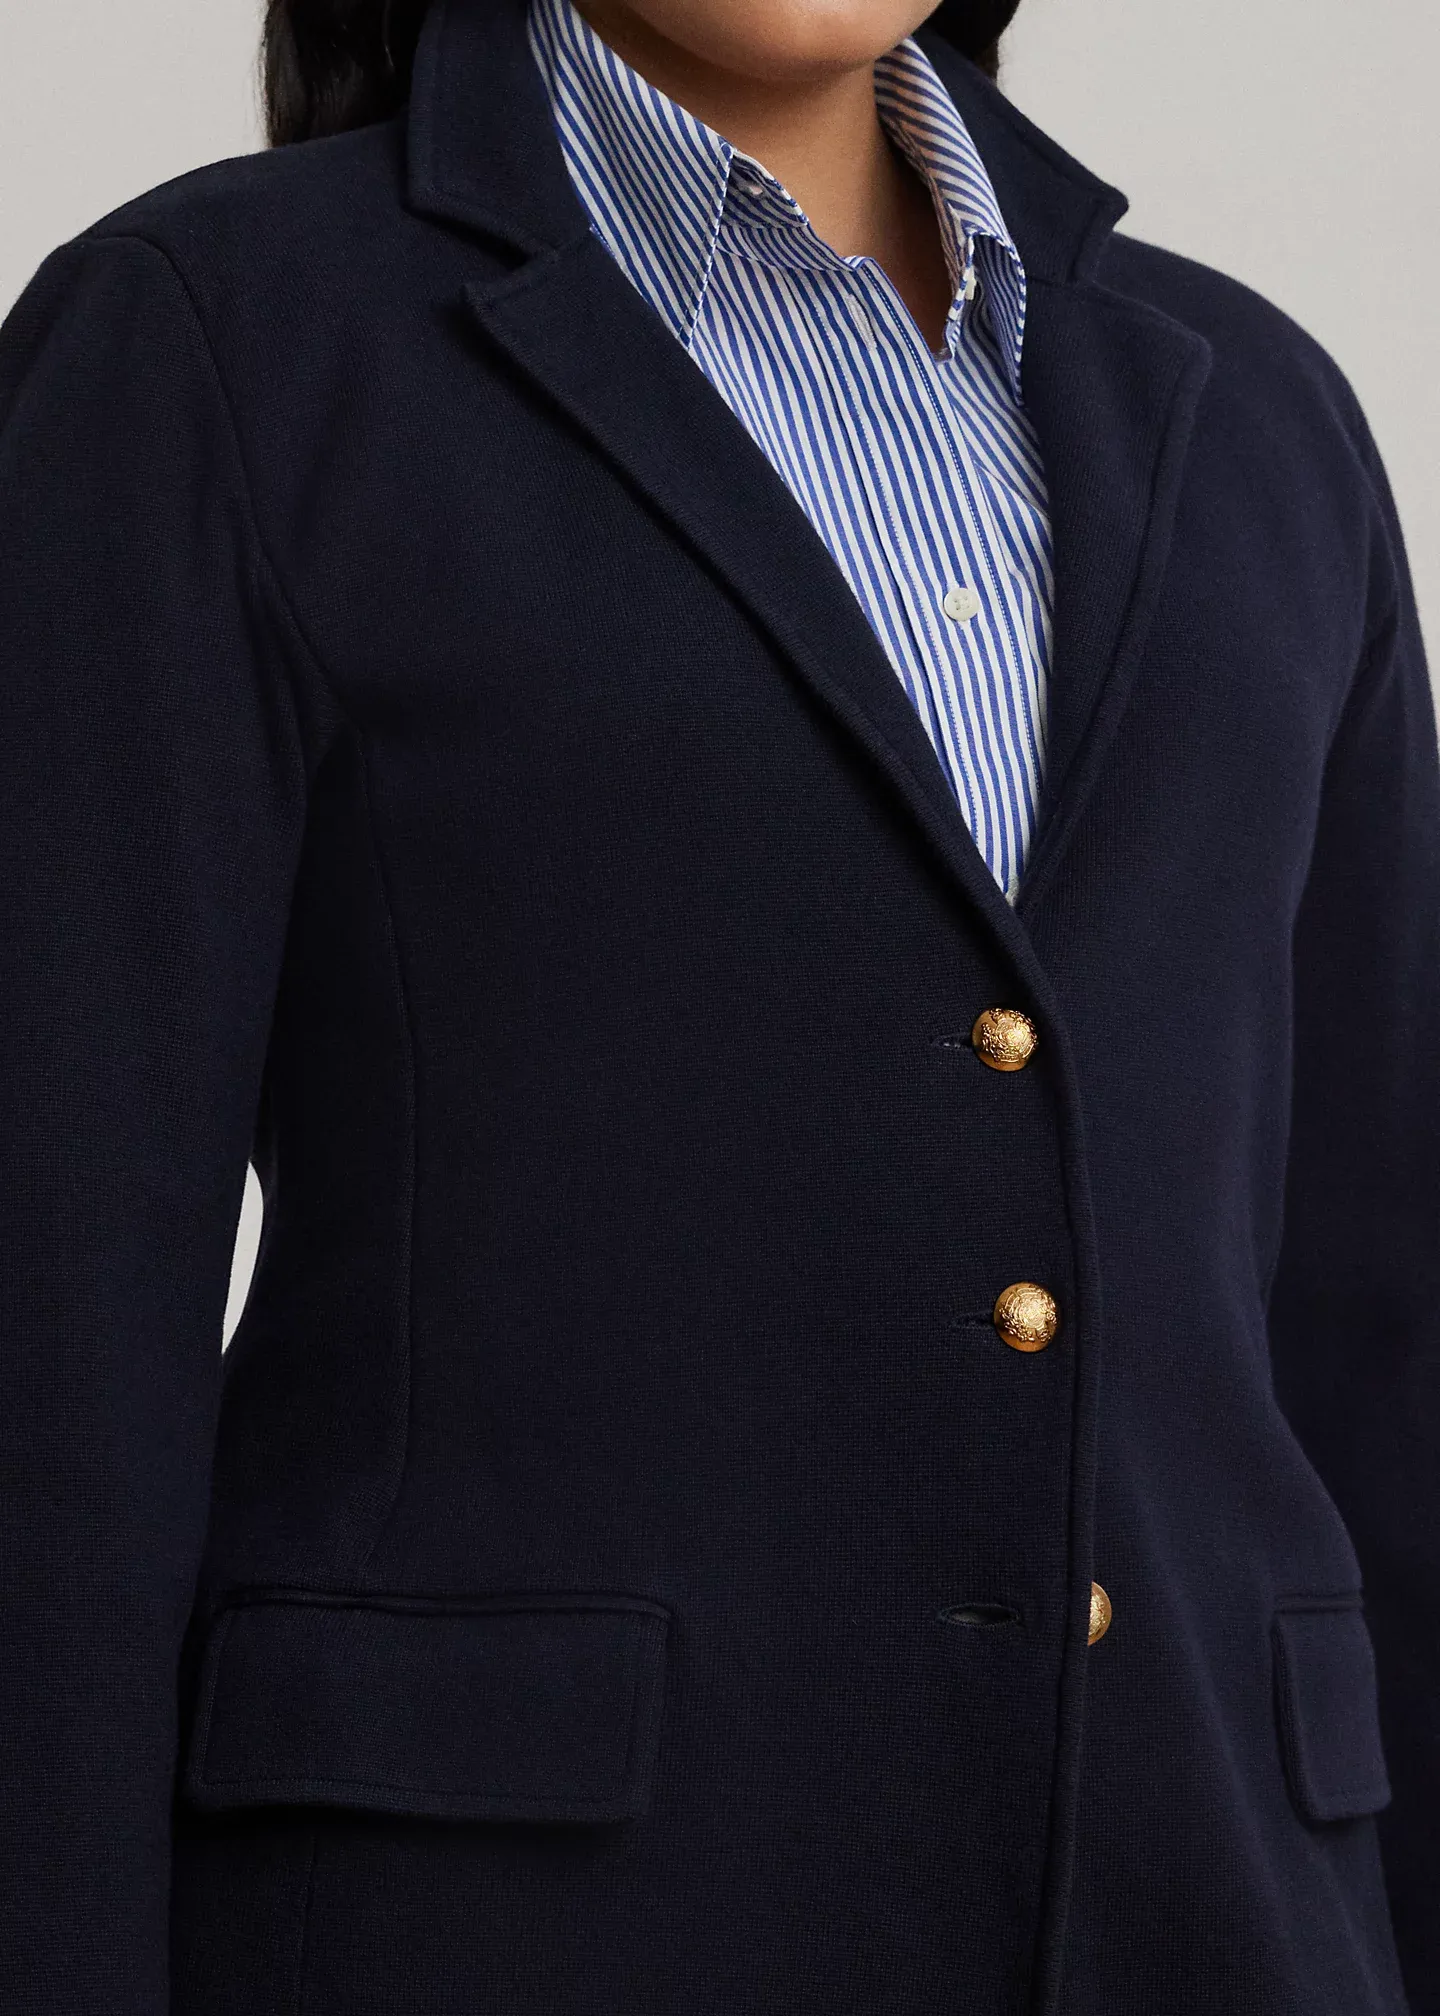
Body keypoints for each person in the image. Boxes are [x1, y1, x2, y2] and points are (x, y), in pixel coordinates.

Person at [0, 0, 1435, 2008]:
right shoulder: (216, 341)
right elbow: (54, 1328)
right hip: (510, 1929)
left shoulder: (1261, 411)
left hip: (1224, 1913)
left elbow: (1381, 1323)